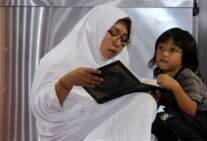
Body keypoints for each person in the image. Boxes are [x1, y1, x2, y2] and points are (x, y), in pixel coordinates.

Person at [30, 3, 157, 141]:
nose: (117, 43)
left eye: (124, 39)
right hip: (67, 130)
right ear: (96, 28)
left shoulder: (119, 59)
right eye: (113, 33)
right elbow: (40, 109)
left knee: (145, 100)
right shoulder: (60, 59)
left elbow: (122, 100)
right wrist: (67, 82)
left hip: (100, 124)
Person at [148, 27, 207, 141]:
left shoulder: (187, 75)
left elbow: (191, 110)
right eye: (161, 47)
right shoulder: (161, 74)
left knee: (165, 118)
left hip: (206, 121)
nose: (164, 53)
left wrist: (175, 86)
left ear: (185, 57)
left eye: (173, 50)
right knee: (157, 121)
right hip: (185, 121)